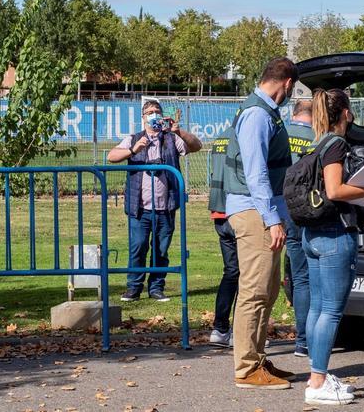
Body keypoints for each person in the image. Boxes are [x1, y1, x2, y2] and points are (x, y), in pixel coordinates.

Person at [303, 88, 364, 405]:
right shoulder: (336, 144)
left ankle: (319, 374)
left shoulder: (318, 142)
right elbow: (335, 190)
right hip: (335, 235)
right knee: (331, 311)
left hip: (312, 233)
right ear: (346, 113)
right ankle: (317, 382)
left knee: (317, 308)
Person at [225, 57, 297, 389]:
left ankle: (257, 358)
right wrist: (272, 221)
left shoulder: (264, 112)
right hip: (255, 213)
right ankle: (246, 368)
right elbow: (256, 175)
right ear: (287, 84)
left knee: (266, 291)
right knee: (255, 291)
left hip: (261, 213)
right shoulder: (257, 115)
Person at [107, 100, 202, 302]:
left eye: (156, 112)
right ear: (143, 117)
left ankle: (156, 288)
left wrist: (179, 132)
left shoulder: (171, 138)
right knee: (139, 246)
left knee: (161, 249)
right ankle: (133, 288)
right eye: (149, 112)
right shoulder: (134, 139)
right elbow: (111, 156)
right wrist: (133, 150)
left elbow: (196, 146)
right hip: (139, 208)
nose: (153, 115)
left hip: (165, 207)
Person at [285, 100, 315, 358]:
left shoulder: (280, 134)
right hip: (310, 210)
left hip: (284, 211)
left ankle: (302, 341)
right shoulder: (316, 138)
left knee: (299, 277)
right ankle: (312, 337)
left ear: (293, 113)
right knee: (316, 277)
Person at [208, 129, 238, 346]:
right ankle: (241, 332)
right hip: (238, 211)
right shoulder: (243, 136)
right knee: (249, 276)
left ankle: (220, 328)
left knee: (231, 272)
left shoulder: (221, 138)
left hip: (219, 211)